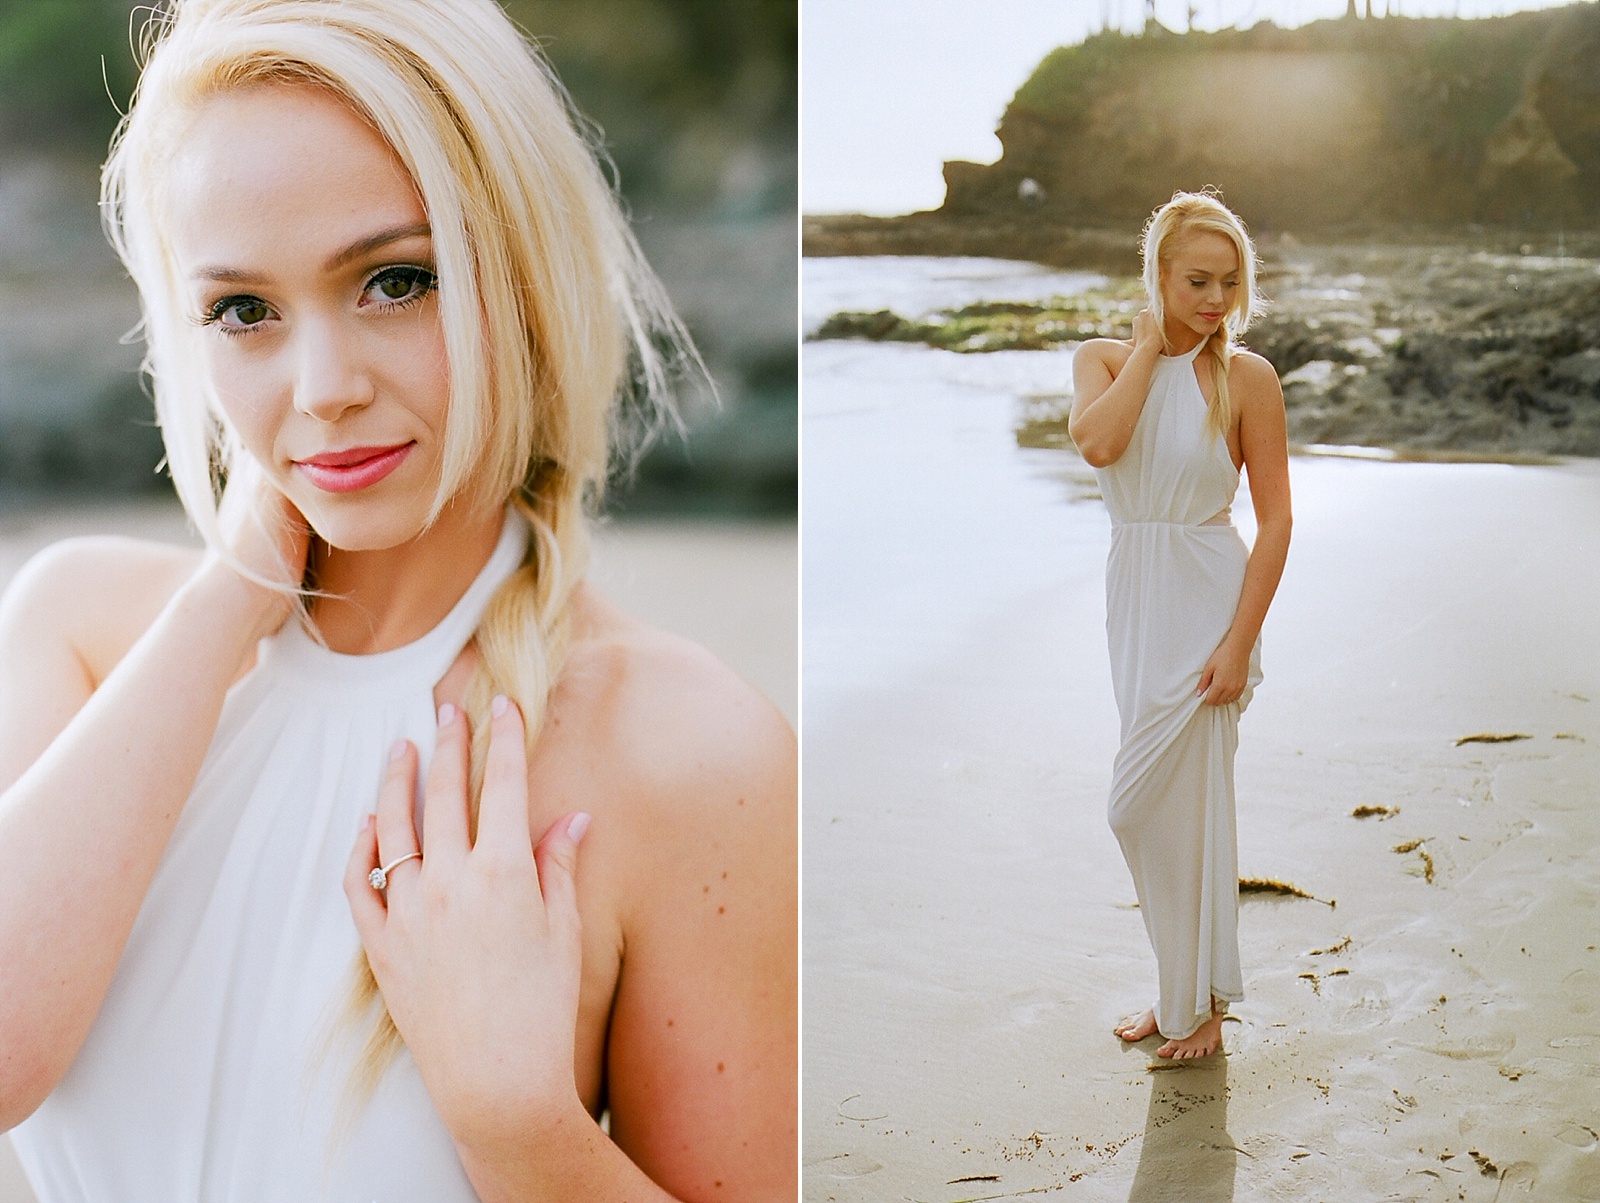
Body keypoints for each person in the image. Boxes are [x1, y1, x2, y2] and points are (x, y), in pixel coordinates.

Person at [0, 1, 796, 1199]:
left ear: (522, 277)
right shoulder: (83, 631)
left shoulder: (685, 752)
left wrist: (519, 1122)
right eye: (243, 310)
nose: (321, 390)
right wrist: (230, 600)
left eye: (394, 280)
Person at [1067, 190, 1291, 1061]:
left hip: (1210, 600)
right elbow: (1098, 445)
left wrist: (1238, 642)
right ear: (1157, 273)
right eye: (1196, 279)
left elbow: (1274, 520)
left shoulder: (1248, 380)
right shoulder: (1100, 360)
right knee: (1148, 811)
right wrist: (1151, 350)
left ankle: (1202, 1007)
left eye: (1229, 283)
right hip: (1137, 597)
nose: (1214, 300)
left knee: (1166, 807)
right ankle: (1179, 994)